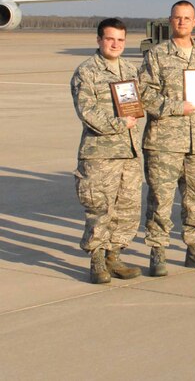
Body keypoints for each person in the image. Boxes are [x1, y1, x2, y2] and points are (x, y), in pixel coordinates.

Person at [139, 1, 195, 276]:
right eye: (177, 18)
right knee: (161, 199)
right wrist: (177, 107)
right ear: (170, 20)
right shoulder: (157, 55)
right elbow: (144, 94)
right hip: (165, 143)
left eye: (187, 18)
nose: (182, 22)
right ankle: (158, 252)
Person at [70, 18, 143, 283]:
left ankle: (115, 255)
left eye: (121, 40)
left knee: (127, 208)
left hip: (129, 152)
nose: (116, 44)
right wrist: (118, 124)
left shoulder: (129, 69)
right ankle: (97, 260)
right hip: (100, 154)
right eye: (110, 39)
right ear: (99, 40)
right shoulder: (86, 72)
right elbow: (87, 111)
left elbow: (140, 101)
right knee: (100, 208)